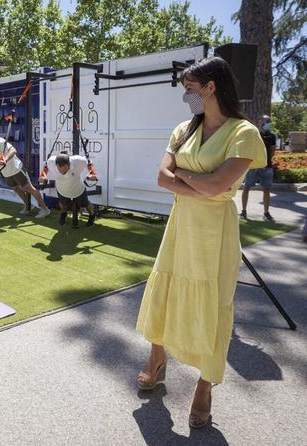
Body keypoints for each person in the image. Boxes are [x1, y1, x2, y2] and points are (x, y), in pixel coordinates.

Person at [134, 57, 266, 429]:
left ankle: (204, 386)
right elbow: (163, 177)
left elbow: (214, 188)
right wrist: (201, 184)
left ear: (211, 87)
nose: (185, 94)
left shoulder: (244, 133)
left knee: (214, 303)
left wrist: (186, 176)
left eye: (190, 88)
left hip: (215, 234)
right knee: (167, 290)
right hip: (181, 225)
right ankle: (156, 358)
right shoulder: (182, 129)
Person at [0, 129, 51, 219]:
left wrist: (5, 159)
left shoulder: (0, 142)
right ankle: (28, 206)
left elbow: (13, 150)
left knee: (29, 188)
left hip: (16, 169)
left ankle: (45, 209)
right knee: (16, 189)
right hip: (6, 172)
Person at [39, 152, 96, 228]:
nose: (63, 172)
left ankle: (92, 215)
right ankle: (63, 214)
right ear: (56, 165)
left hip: (78, 189)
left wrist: (92, 173)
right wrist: (43, 176)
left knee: (85, 204)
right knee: (63, 205)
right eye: (60, 170)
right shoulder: (51, 161)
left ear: (69, 163)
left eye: (65, 170)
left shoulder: (78, 161)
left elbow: (89, 163)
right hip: (62, 190)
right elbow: (45, 167)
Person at [240, 115, 277, 223]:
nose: (268, 123)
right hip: (252, 166)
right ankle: (243, 211)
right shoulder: (254, 134)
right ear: (260, 121)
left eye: (269, 121)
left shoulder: (272, 136)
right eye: (266, 121)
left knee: (266, 189)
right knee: (246, 187)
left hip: (267, 167)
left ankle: (266, 213)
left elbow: (272, 151)